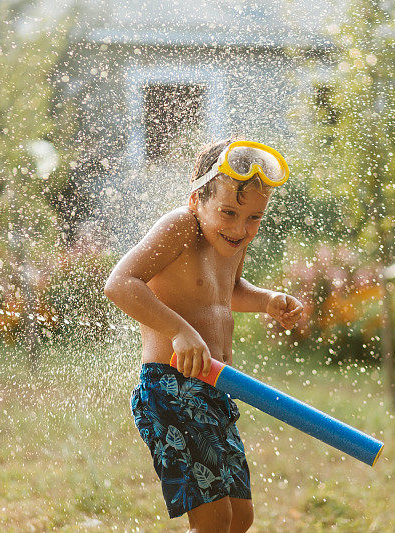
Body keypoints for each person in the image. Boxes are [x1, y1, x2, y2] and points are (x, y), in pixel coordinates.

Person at [104, 138, 304, 532]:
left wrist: (267, 300)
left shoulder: (230, 243)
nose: (240, 228)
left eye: (254, 218)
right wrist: (178, 330)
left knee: (239, 519)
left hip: (215, 390)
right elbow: (120, 283)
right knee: (213, 522)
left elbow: (226, 292)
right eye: (229, 212)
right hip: (172, 389)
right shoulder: (180, 226)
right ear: (197, 200)